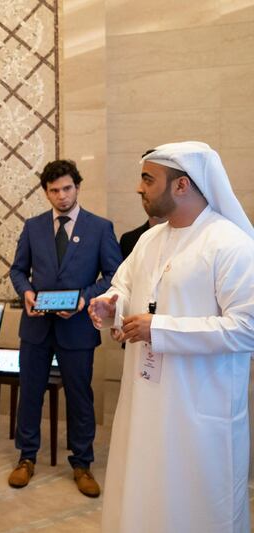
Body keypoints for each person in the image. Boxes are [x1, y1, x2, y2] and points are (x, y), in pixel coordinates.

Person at [88, 142, 254, 533]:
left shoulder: (230, 244)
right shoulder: (149, 239)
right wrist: (111, 304)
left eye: (148, 178)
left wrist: (159, 329)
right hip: (144, 406)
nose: (139, 188)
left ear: (182, 185)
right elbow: (124, 285)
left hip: (197, 415)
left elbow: (247, 328)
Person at [8, 159, 121, 497]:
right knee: (29, 393)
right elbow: (17, 271)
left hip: (78, 330)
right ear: (46, 192)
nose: (61, 196)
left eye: (67, 188)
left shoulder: (100, 227)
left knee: (79, 395)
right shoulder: (32, 227)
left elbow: (113, 276)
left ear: (77, 187)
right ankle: (26, 458)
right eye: (54, 190)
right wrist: (26, 292)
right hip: (36, 327)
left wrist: (84, 300)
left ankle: (82, 462)